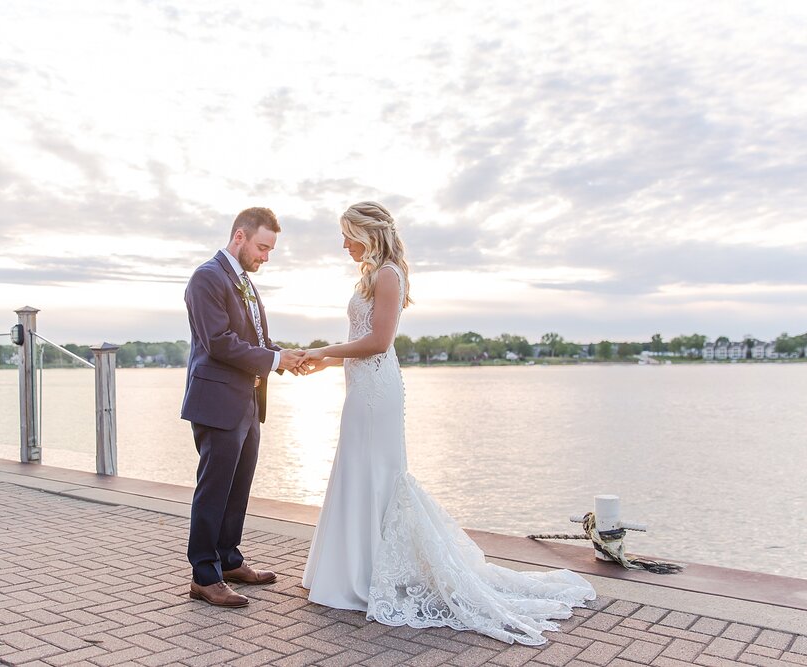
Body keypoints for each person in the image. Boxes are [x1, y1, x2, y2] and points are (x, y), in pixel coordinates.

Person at [298, 201, 595, 645]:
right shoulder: (371, 275)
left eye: (347, 235)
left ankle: (368, 572)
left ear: (367, 232)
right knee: (356, 470)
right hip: (361, 389)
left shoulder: (388, 275)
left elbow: (379, 341)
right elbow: (363, 340)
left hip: (377, 393)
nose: (342, 244)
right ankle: (352, 568)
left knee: (375, 475)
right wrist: (322, 363)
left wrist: (322, 351)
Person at [182, 207, 305, 608]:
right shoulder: (207, 277)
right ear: (240, 236)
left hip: (249, 400)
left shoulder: (245, 282)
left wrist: (286, 357)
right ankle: (204, 575)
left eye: (270, 249)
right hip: (217, 401)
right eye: (263, 247)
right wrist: (273, 361)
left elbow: (255, 341)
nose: (266, 256)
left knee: (238, 488)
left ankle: (229, 560)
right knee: (214, 489)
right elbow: (218, 342)